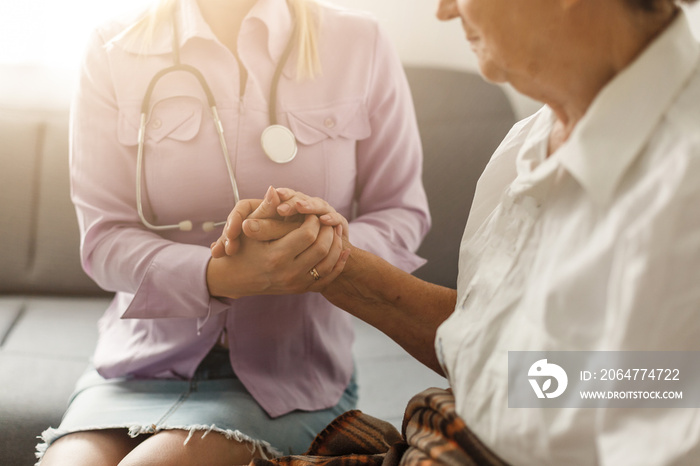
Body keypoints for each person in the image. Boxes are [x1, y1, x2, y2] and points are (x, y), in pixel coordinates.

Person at [214, 0, 700, 464]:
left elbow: (651, 396)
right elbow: (501, 352)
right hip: (440, 435)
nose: (443, 10)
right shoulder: (528, 140)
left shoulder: (683, 185)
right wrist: (325, 259)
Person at [36, 0, 430, 464]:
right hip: (136, 368)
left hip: (291, 379)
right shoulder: (112, 46)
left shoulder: (359, 42)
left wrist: (314, 252)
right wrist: (220, 275)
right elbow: (104, 239)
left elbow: (402, 214)